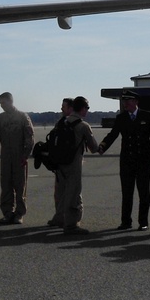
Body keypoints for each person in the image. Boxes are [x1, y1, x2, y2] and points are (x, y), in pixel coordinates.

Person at [98, 89, 150, 230]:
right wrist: (102, 146)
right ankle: (126, 221)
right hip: (127, 160)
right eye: (124, 101)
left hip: (143, 159)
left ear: (136, 102)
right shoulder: (121, 118)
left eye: (128, 101)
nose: (125, 104)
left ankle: (143, 222)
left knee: (144, 192)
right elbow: (113, 134)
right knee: (127, 192)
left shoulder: (147, 115)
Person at [0, 92, 35, 224]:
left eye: (3, 103)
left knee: (20, 185)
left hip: (19, 156)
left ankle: (19, 214)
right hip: (5, 155)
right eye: (0, 103)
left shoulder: (23, 117)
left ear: (11, 101)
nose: (1, 106)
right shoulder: (0, 119)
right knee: (5, 185)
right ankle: (7, 213)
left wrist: (25, 155)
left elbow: (30, 137)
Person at [55, 96, 100, 234]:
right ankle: (71, 225)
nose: (87, 111)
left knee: (62, 193)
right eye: (87, 108)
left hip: (60, 163)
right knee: (74, 193)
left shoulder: (62, 122)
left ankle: (61, 219)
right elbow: (93, 147)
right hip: (74, 163)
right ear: (82, 108)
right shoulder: (83, 125)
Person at [47, 97, 74, 227]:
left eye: (64, 107)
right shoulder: (60, 122)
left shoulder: (75, 123)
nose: (61, 109)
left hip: (70, 163)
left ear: (71, 108)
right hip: (59, 163)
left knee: (69, 193)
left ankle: (67, 219)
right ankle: (59, 217)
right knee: (58, 193)